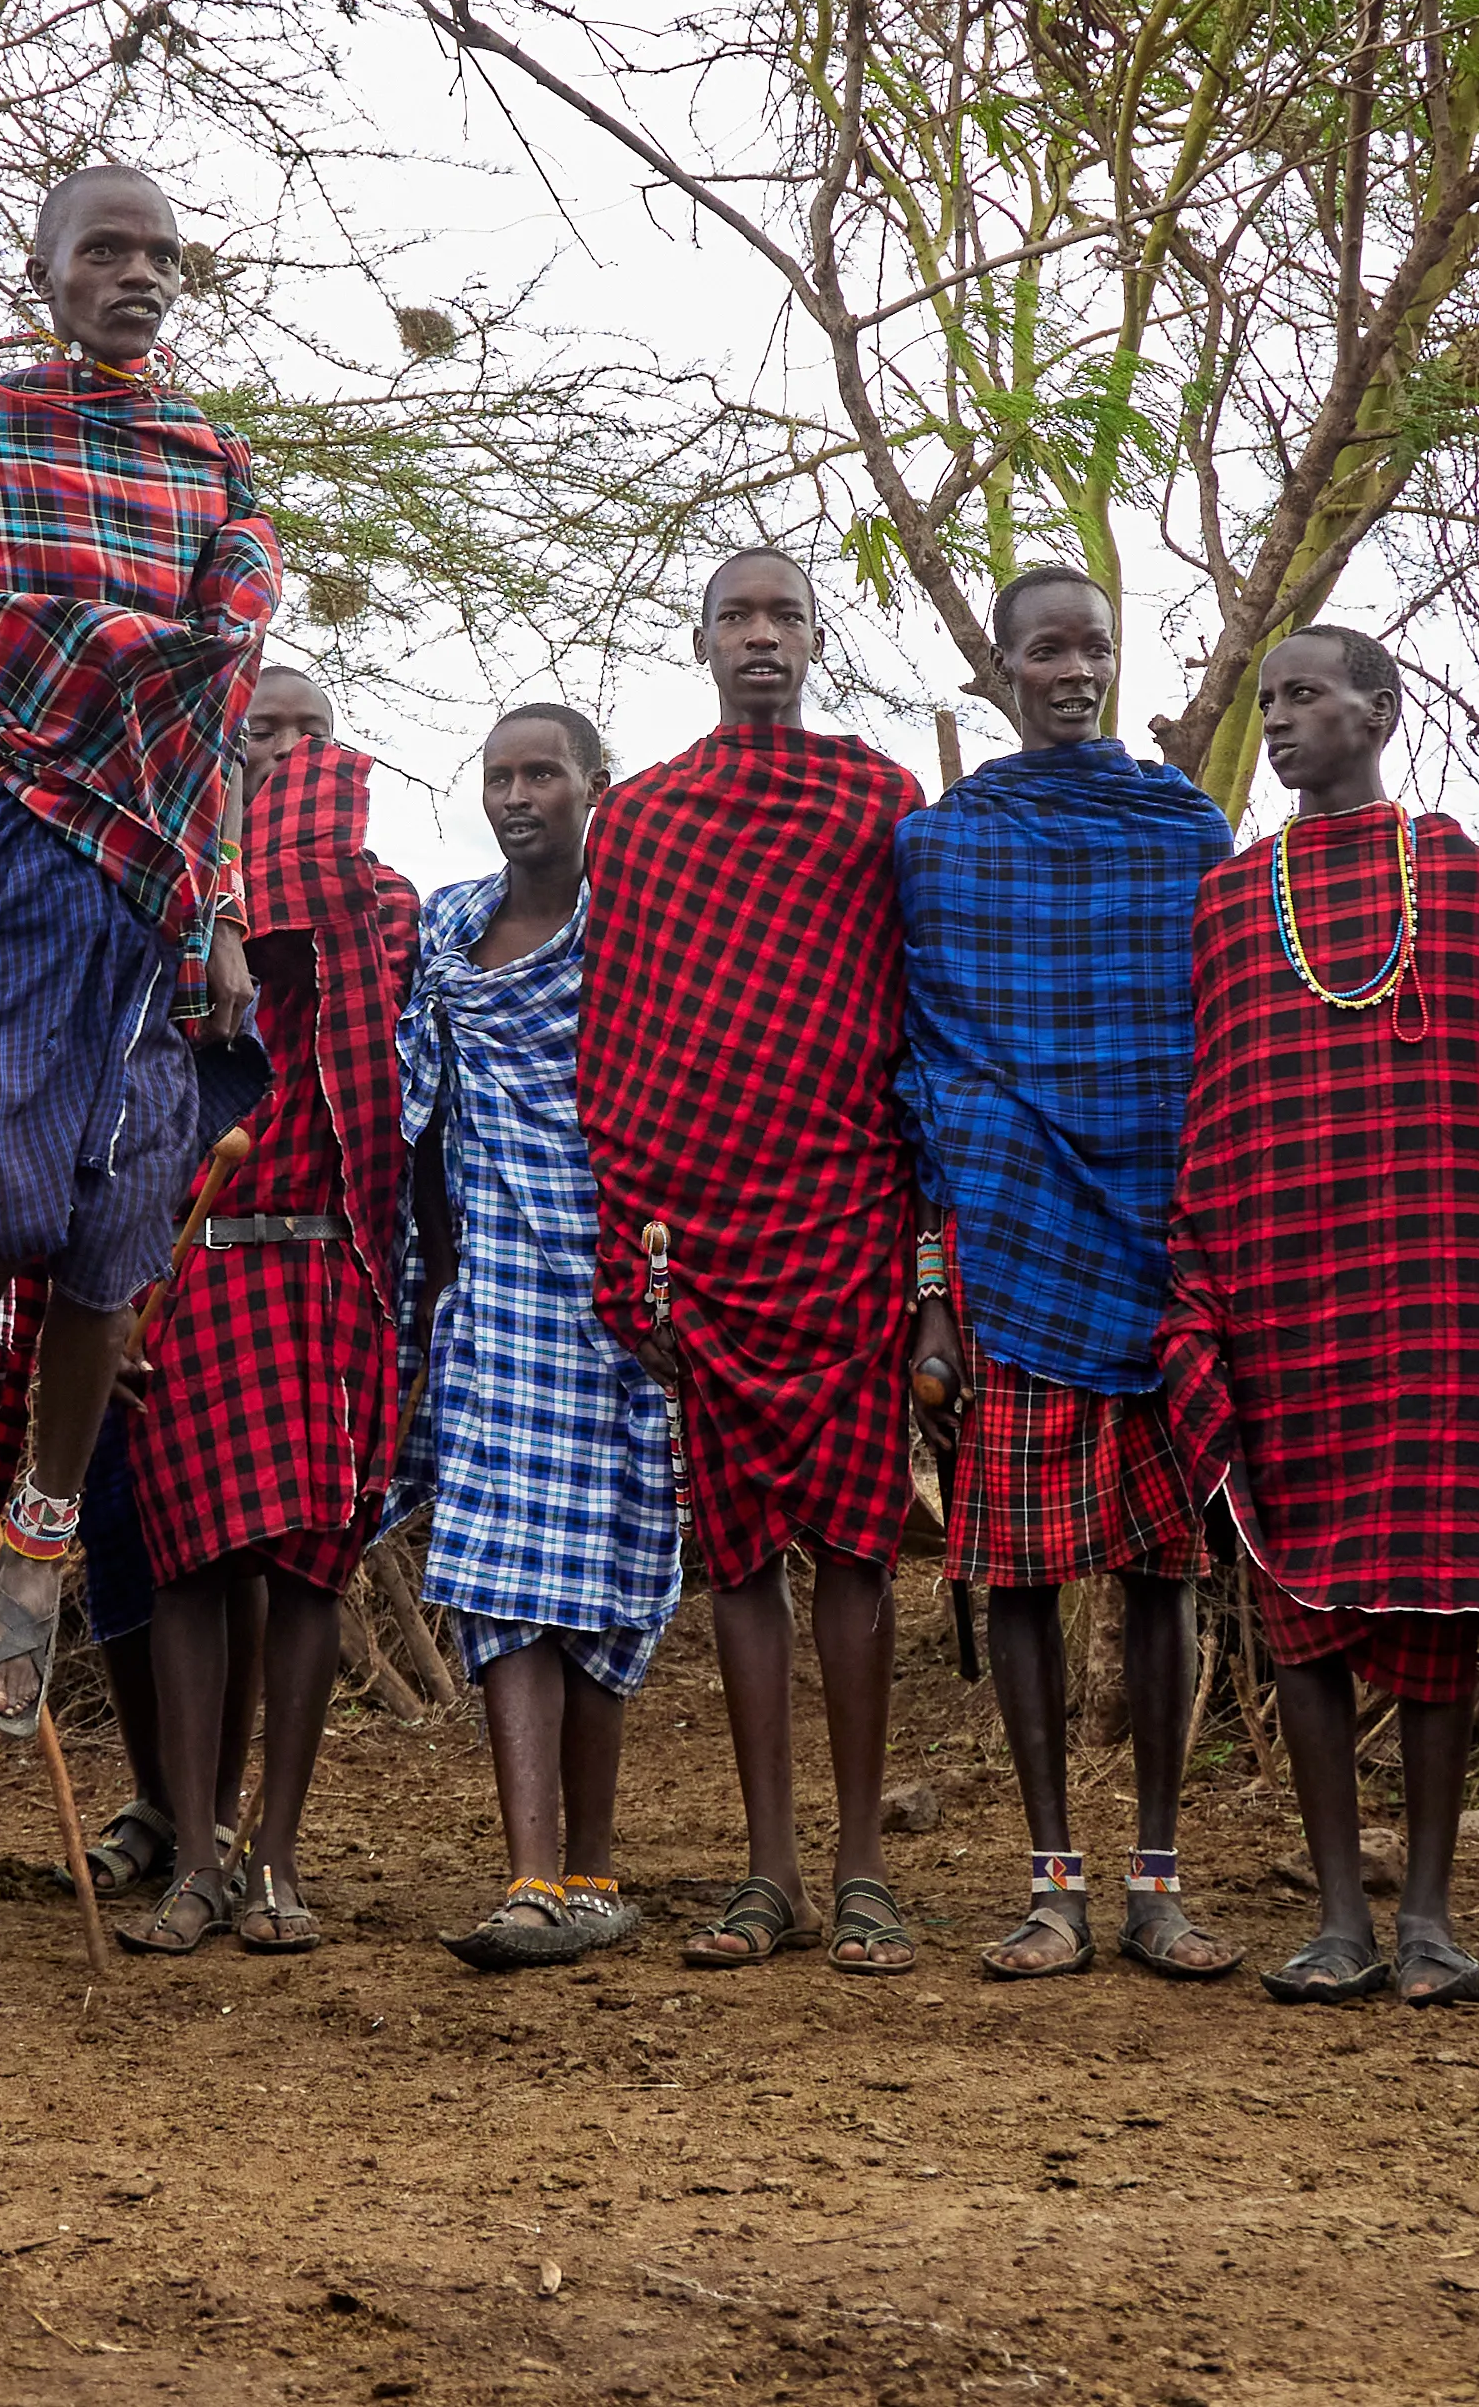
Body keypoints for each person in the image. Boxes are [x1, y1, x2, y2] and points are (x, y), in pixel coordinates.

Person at [0, 162, 275, 1810]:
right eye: (108, 249)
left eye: (163, 253)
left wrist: (218, 906)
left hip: (155, 874)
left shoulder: (210, 469)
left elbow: (207, 718)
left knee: (113, 1222)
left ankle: (46, 1527)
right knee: (10, 1194)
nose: (140, 274)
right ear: (43, 268)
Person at [1164, 626, 1479, 2009]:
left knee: (1434, 1598)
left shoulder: (1457, 874)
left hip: (1439, 1283)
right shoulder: (1227, 898)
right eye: (1267, 700)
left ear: (1379, 713)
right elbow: (1218, 1101)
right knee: (1301, 1606)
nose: (1279, 720)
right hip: (1285, 1287)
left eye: (1306, 695)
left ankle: (1431, 1911)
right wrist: (1202, 1277)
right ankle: (1337, 1913)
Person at [582, 550, 932, 1976]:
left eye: (784, 614)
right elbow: (615, 1036)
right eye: (738, 616)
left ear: (817, 636)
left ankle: (861, 1869)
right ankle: (766, 1868)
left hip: (845, 1217)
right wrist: (636, 1254)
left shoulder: (879, 801)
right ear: (702, 641)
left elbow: (920, 1016)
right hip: (705, 1235)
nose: (761, 636)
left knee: (856, 1548)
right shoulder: (644, 819)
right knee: (735, 1561)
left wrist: (924, 1264)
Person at [893, 567, 1242, 1985]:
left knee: (1161, 1570)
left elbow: (1220, 1026)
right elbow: (919, 1070)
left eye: (1093, 645)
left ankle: (1157, 1876)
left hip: (1161, 1232)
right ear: (1001, 668)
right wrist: (929, 1282)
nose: (1073, 669)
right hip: (1016, 1236)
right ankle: (1052, 1881)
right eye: (1046, 649)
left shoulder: (1185, 825)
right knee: (1021, 1571)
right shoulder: (943, 846)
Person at [112, 672, 416, 1956]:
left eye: (307, 733)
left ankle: (276, 1856)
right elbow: (111, 1094)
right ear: (212, 754)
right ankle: (194, 1856)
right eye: (257, 735)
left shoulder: (376, 903)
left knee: (308, 1572)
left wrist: (244, 852)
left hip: (325, 1266)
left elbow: (302, 935)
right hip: (185, 1267)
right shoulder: (149, 906)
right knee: (188, 1562)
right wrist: (115, 1288)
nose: (285, 752)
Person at [401, 702, 680, 1969]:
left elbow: (687, 1082)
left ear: (593, 785)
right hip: (501, 1284)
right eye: (499, 775)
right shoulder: (445, 931)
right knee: (505, 1576)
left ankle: (593, 1870)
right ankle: (528, 1877)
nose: (519, 796)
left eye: (543, 774)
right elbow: (414, 1116)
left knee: (612, 1577)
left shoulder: (640, 926)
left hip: (622, 1281)